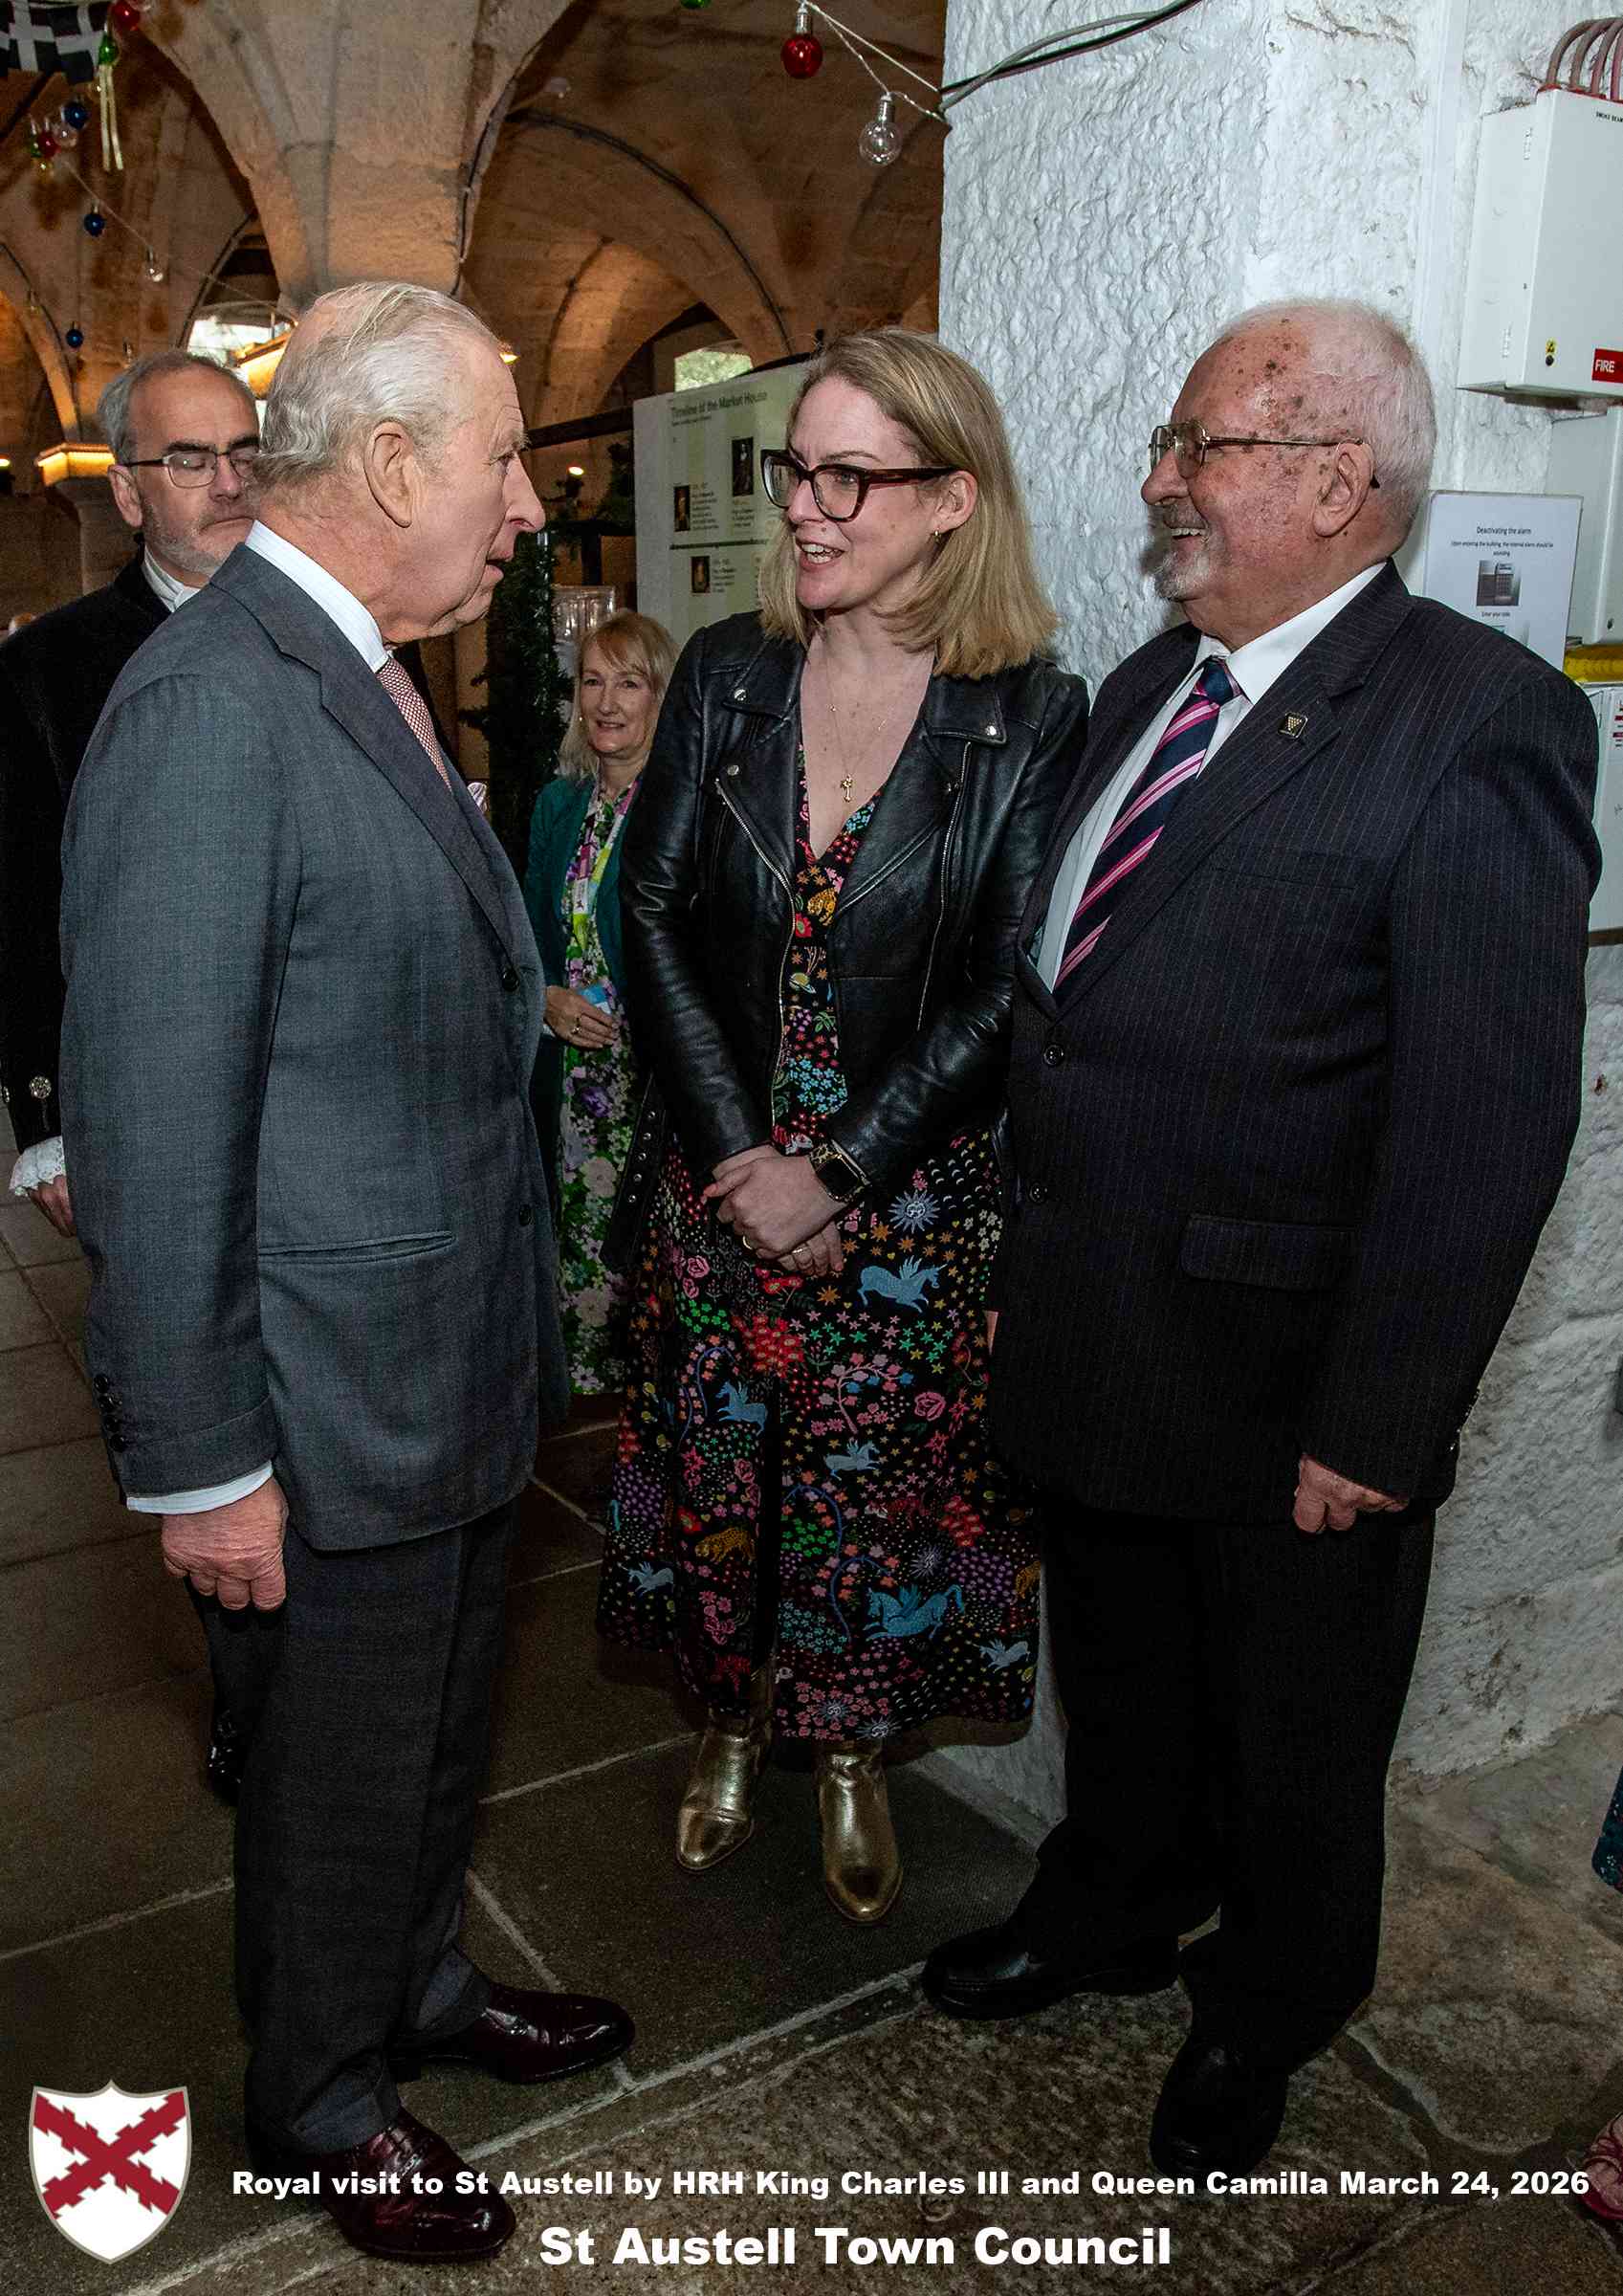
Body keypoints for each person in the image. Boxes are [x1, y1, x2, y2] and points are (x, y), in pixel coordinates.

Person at [922, 300, 1600, 2176]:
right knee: (1120, 1675)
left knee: (1295, 1740)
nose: (1156, 478)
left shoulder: (1479, 724)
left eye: (1196, 444)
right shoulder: (1153, 685)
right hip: (1093, 1326)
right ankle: (1107, 1905)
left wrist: (1373, 1427)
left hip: (1280, 1379)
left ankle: (1268, 2006)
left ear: (1328, 476)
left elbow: (1482, 1127)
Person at [59, 281, 632, 2268]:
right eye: (502, 461)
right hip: (313, 1393)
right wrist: (199, 1460)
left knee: (426, 1733)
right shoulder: (215, 707)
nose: (525, 512)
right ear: (391, 464)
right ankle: (315, 2103)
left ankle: (415, 1997)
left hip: (439, 1360)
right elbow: (149, 1115)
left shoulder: (367, 667)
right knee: (327, 1769)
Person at [599, 328, 1089, 1925]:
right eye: (790, 470)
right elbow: (650, 913)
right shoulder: (730, 675)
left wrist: (845, 1167)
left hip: (904, 1201)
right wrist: (748, 1155)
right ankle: (731, 1730)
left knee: (871, 1503)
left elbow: (1014, 981)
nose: (803, 508)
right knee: (723, 1486)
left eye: (845, 477)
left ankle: (860, 1750)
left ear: (951, 500)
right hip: (722, 1173)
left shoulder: (1028, 713)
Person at [1, 349, 260, 1241]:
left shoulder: (349, 633)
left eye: (246, 454)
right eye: (189, 460)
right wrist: (48, 1123)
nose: (229, 483)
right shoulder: (47, 667)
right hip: (148, 1096)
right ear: (125, 496)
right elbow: (25, 899)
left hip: (331, 1093)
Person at [523, 608, 675, 1394]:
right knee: (572, 1227)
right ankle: (583, 1387)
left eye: (630, 682)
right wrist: (544, 996)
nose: (607, 702)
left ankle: (647, 1392)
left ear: (662, 697)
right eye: (592, 681)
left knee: (647, 1241)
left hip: (649, 1073)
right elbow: (521, 936)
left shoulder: (685, 807)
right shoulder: (558, 804)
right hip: (568, 1071)